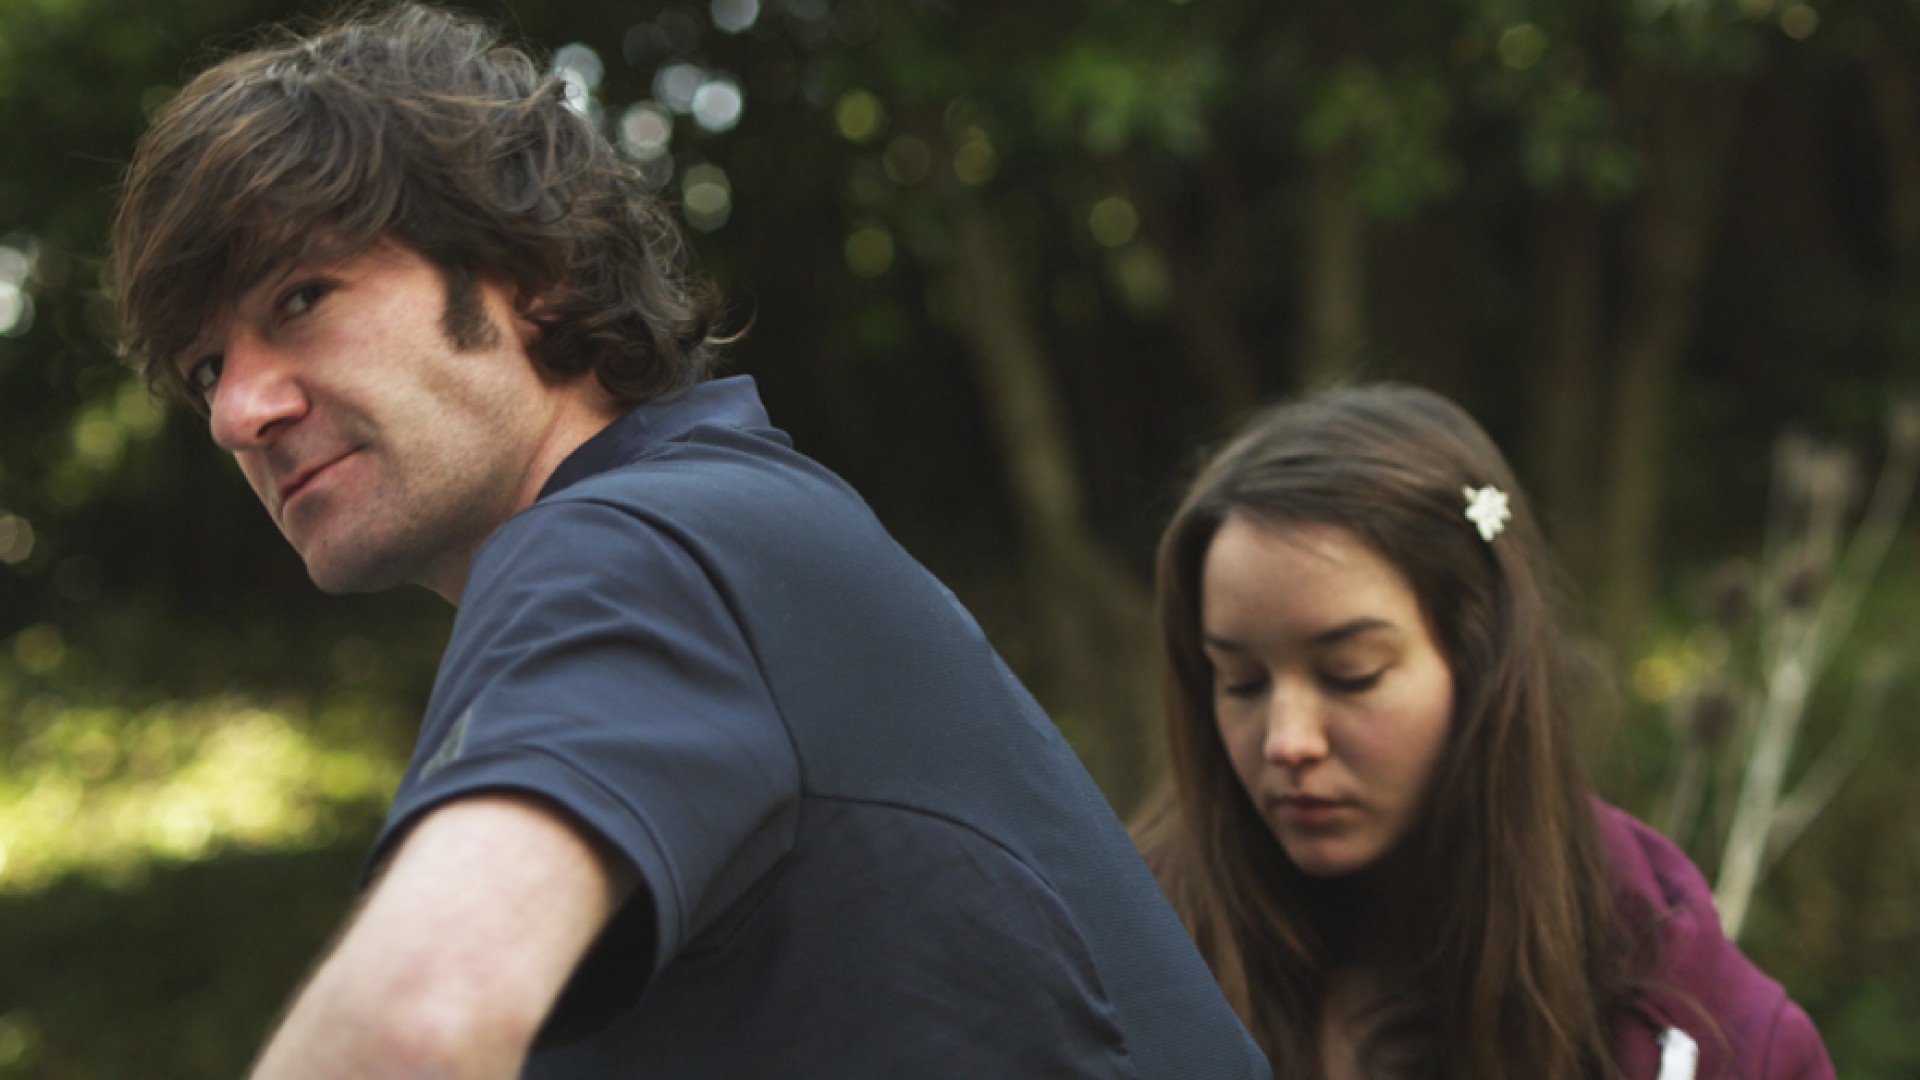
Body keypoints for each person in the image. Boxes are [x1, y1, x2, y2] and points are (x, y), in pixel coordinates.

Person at [110, 6, 1270, 1077]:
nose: (237, 413)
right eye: (207, 368)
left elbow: (416, 1021)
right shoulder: (729, 528)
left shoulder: (633, 549)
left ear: (534, 275)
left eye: (301, 299)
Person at [1132, 383, 1835, 1079]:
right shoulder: (1119, 962)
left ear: (1482, 663)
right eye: (1242, 682)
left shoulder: (1712, 1038)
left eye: (1350, 674)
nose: (1287, 742)